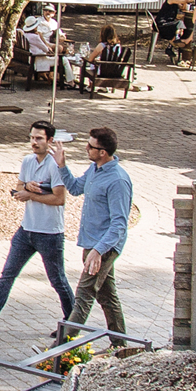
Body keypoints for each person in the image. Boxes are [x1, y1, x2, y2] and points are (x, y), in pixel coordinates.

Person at [0, 120, 74, 330]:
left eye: (39, 138)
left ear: (50, 140)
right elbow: (17, 189)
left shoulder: (55, 165)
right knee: (8, 274)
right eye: (32, 137)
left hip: (49, 233)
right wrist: (25, 187)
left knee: (57, 280)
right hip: (26, 230)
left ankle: (73, 322)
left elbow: (59, 199)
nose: (34, 142)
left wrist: (31, 193)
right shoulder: (27, 161)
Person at [52, 127, 133, 341]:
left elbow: (119, 224)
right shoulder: (94, 169)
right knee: (108, 297)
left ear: (103, 152)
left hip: (104, 246)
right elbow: (76, 188)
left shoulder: (118, 181)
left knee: (84, 296)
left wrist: (98, 251)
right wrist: (62, 166)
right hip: (91, 243)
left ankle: (59, 350)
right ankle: (121, 345)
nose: (86, 148)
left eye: (90, 146)